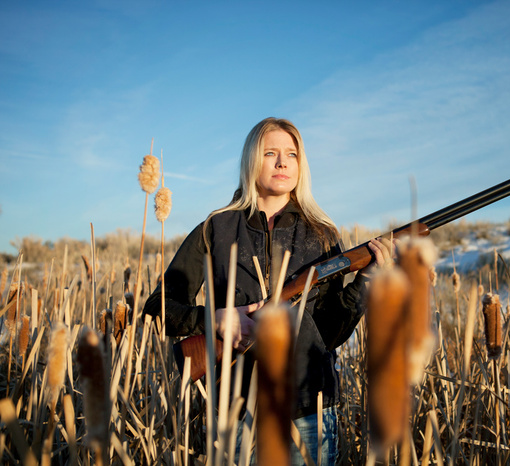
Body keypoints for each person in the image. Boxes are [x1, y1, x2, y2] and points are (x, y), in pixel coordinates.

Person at [144, 117, 392, 465]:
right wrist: (214, 320)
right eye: (270, 153)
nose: (282, 162)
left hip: (309, 409)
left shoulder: (321, 234)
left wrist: (366, 283)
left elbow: (329, 336)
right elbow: (159, 308)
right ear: (250, 161)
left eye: (292, 154)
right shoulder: (216, 228)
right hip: (236, 409)